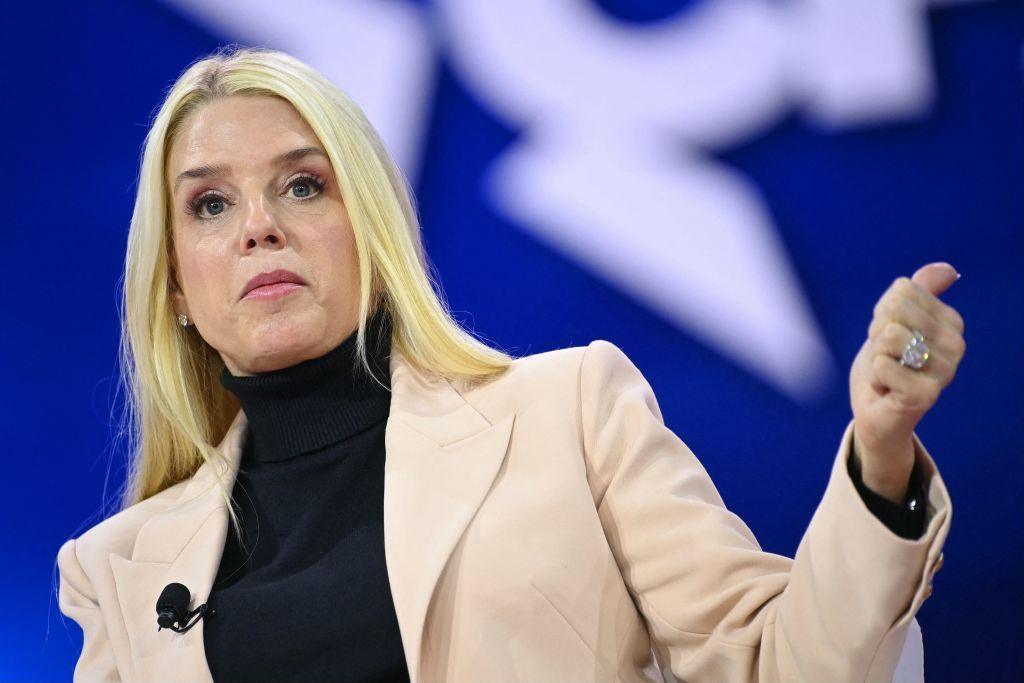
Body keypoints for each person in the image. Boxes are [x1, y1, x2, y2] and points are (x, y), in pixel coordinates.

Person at [56, 46, 961, 683]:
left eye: (304, 184)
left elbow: (779, 664)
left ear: (372, 233)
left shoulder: (567, 412)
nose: (259, 225)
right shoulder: (119, 571)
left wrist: (880, 458)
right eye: (210, 203)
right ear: (175, 284)